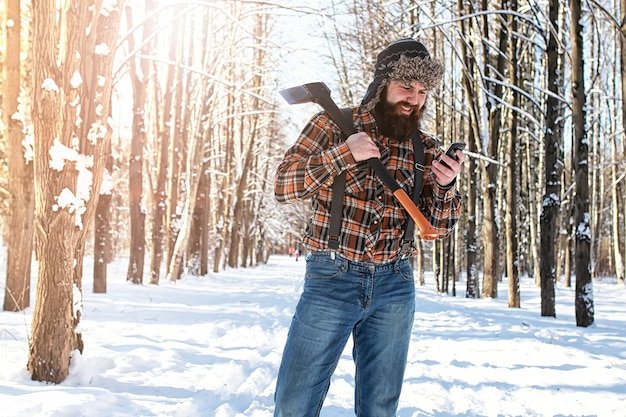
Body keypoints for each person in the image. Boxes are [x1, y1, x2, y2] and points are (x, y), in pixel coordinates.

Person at [273, 38, 465, 417]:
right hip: (332, 276)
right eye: (406, 87)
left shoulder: (425, 147)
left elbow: (436, 228)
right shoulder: (332, 125)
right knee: (295, 403)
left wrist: (445, 187)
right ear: (382, 85)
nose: (414, 99)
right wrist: (344, 154)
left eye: (423, 91)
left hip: (395, 285)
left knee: (380, 407)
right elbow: (284, 186)